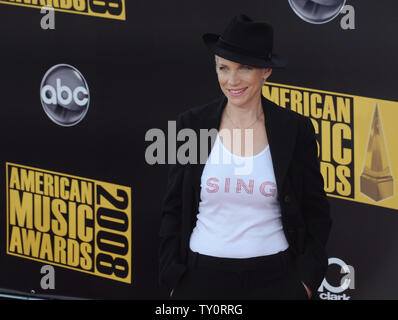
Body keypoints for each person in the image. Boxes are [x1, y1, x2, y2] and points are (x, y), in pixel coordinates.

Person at [158, 14, 332, 300]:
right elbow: (173, 208)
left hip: (276, 279)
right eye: (223, 68)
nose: (232, 80)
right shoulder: (192, 125)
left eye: (244, 68)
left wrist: (305, 281)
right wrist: (174, 279)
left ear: (266, 71)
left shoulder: (294, 129)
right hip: (201, 277)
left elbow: (316, 211)